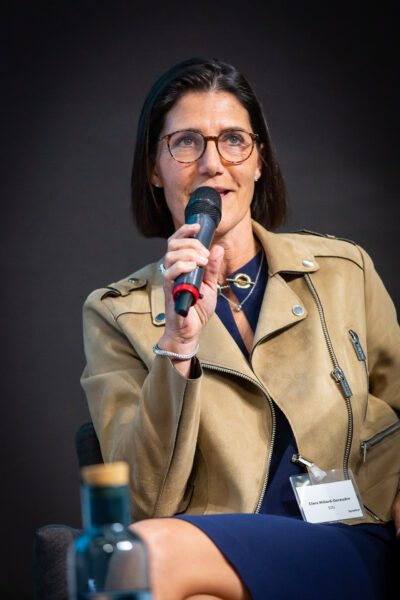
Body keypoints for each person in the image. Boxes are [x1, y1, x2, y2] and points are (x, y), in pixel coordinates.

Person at [81, 58, 400, 600]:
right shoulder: (117, 314)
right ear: (154, 168)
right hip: (218, 545)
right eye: (185, 142)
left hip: (352, 532)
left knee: (145, 554)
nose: (212, 164)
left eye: (233, 140)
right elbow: (141, 503)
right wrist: (177, 345)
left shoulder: (345, 270)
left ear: (258, 161)